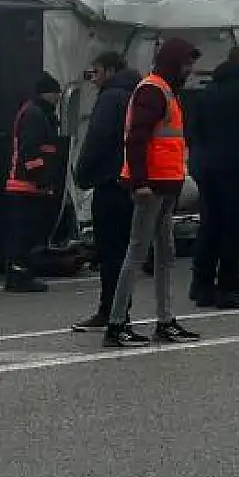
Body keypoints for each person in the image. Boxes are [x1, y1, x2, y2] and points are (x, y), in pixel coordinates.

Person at [102, 38, 204, 348]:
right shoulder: (154, 91)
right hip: (154, 185)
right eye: (186, 63)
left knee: (161, 254)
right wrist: (140, 182)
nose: (189, 70)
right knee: (140, 252)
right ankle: (118, 323)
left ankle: (162, 320)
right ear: (174, 62)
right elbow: (136, 139)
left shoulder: (163, 90)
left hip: (164, 184)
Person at [188, 46, 239, 310]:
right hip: (236, 166)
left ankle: (201, 284)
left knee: (210, 224)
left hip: (205, 166)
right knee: (233, 226)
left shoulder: (207, 91)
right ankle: (226, 285)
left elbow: (193, 130)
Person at [70, 52, 140, 331]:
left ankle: (110, 311)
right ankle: (120, 308)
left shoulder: (111, 98)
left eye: (96, 73)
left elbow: (97, 138)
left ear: (110, 71)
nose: (94, 80)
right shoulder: (137, 94)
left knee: (110, 251)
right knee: (125, 251)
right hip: (132, 181)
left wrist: (83, 174)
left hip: (110, 182)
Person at [2, 73, 67, 292]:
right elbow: (31, 151)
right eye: (56, 93)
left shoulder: (34, 112)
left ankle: (20, 272)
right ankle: (19, 275)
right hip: (27, 186)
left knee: (24, 234)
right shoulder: (35, 115)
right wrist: (42, 178)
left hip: (27, 185)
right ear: (47, 93)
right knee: (24, 235)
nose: (58, 98)